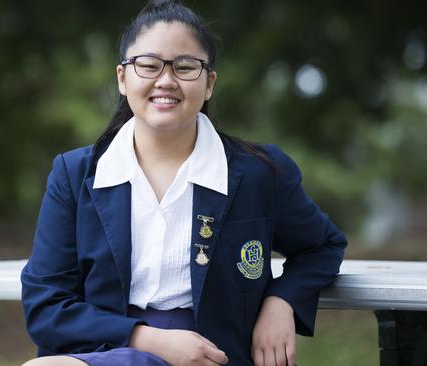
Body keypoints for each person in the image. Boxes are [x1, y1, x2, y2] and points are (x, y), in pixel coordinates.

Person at [20, 1, 347, 365]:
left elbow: (322, 246)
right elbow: (46, 307)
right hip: (102, 351)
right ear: (122, 78)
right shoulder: (75, 174)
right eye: (148, 65)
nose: (166, 80)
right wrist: (146, 340)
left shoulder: (259, 173)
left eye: (186, 67)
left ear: (209, 83)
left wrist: (281, 301)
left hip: (213, 357)